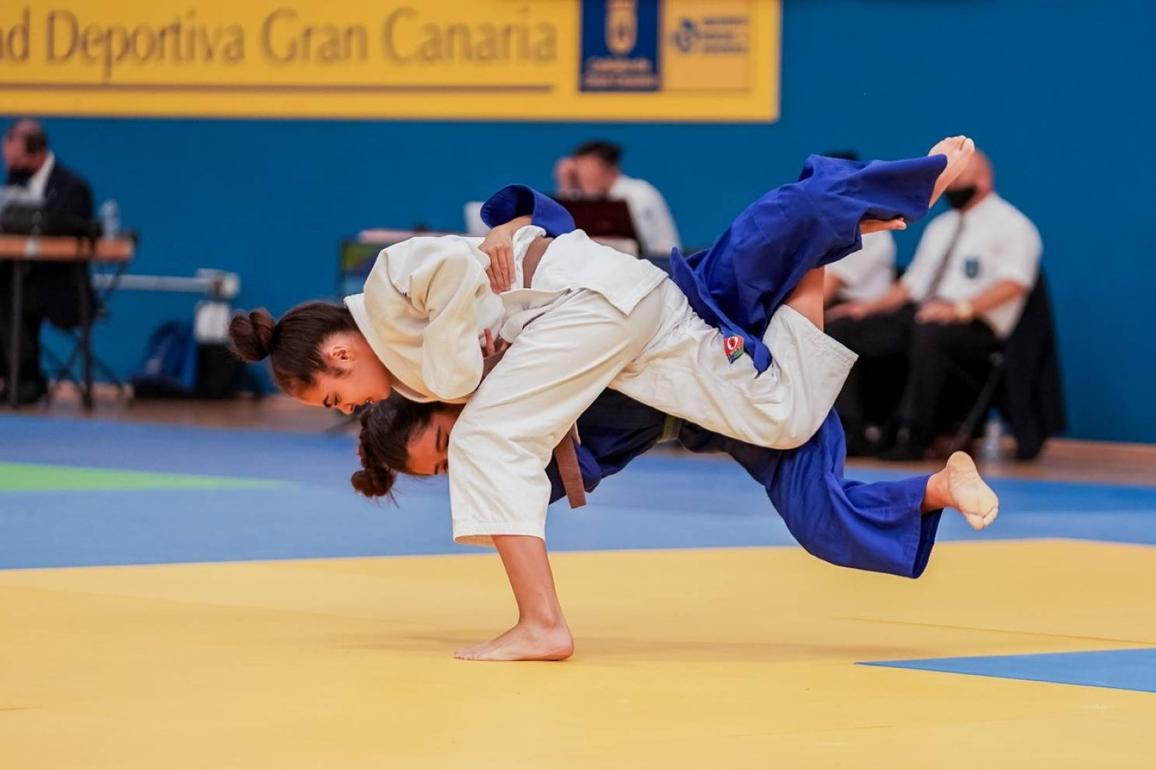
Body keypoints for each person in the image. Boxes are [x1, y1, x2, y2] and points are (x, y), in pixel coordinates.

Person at [231, 137, 979, 660]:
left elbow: (472, 271)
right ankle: (822, 262)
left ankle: (541, 624)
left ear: (338, 354)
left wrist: (503, 243)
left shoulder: (389, 285)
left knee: (490, 439)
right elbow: (478, 384)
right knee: (780, 418)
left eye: (334, 398)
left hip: (601, 304)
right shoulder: (418, 373)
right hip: (636, 330)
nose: (348, 409)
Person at [825, 150, 1043, 459]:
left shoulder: (1013, 226)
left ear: (983, 180)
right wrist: (865, 309)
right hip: (924, 315)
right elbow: (910, 286)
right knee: (841, 329)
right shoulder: (940, 226)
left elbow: (1015, 283)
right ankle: (851, 430)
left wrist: (961, 309)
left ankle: (912, 434)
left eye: (958, 180)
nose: (951, 187)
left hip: (974, 325)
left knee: (930, 333)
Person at [0, 119, 94, 405]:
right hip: (20, 279)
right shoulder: (15, 181)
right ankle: (16, 378)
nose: (12, 165)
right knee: (6, 294)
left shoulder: (72, 187)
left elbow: (75, 228)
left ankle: (24, 380)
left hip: (61, 288)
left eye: (17, 158)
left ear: (36, 152)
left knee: (8, 300)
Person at [553, 140, 682, 256]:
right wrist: (566, 185)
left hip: (658, 264)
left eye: (584, 168)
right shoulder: (583, 197)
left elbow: (636, 246)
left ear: (602, 166)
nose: (579, 175)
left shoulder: (638, 193)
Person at [820, 152, 898, 326]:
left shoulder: (870, 230)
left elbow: (826, 291)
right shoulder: (823, 226)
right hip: (830, 304)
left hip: (864, 315)